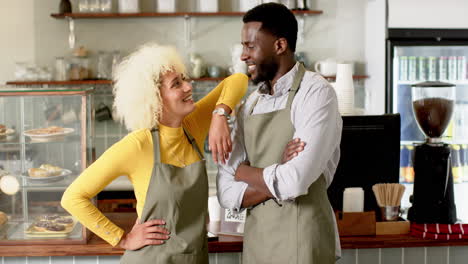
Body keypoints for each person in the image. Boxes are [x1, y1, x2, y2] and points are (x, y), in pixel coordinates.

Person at [61, 43, 248, 264]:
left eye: (184, 79)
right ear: (155, 98)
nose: (188, 87)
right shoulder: (138, 144)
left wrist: (220, 113)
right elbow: (73, 198)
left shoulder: (192, 126)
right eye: (176, 84)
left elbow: (237, 80)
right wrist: (122, 239)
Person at [216, 3, 343, 264]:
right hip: (258, 244)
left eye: (250, 46)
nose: (243, 56)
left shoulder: (316, 93)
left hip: (304, 242)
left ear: (280, 45)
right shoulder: (250, 104)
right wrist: (280, 167)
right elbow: (227, 194)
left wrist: (243, 172)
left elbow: (294, 182)